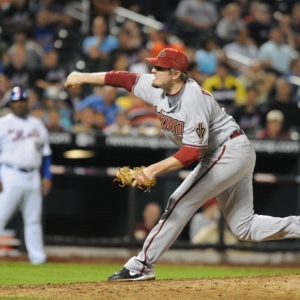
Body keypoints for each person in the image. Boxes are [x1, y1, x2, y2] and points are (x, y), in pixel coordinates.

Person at [64, 48, 300, 282]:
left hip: (228, 150)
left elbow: (191, 153)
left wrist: (151, 169)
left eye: (159, 67)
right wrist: (83, 77)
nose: (153, 70)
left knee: (179, 201)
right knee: (244, 228)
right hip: (228, 152)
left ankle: (141, 265)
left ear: (176, 73)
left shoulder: (192, 98)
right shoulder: (157, 85)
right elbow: (122, 78)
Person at [0, 86, 52, 265]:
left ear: (27, 102)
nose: (19, 104)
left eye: (22, 101)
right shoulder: (3, 123)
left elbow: (46, 153)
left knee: (33, 220)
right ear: (11, 103)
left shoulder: (37, 124)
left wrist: (47, 176)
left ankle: (38, 259)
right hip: (9, 173)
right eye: (15, 101)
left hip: (33, 176)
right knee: (0, 216)